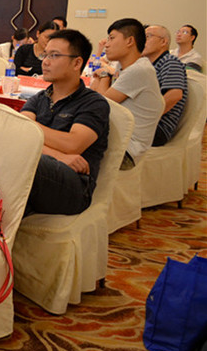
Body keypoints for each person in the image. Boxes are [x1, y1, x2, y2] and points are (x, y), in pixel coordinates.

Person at [20, 29, 110, 215]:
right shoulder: (38, 98)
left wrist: (30, 127)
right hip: (42, 171)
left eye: (54, 55)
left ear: (77, 63)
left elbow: (72, 145)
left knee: (24, 162)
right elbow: (22, 136)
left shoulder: (93, 103)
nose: (45, 61)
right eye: (45, 55)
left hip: (74, 186)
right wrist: (58, 156)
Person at [91, 18, 164, 169]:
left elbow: (100, 104)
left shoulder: (139, 70)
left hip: (126, 151)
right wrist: (103, 76)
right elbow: (92, 96)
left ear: (130, 41)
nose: (106, 44)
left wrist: (104, 75)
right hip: (115, 139)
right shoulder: (124, 67)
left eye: (111, 38)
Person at [142, 25, 188, 146]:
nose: (142, 41)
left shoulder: (170, 61)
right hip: (147, 124)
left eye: (147, 37)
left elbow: (175, 95)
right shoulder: (148, 65)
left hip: (158, 127)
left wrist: (145, 118)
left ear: (163, 42)